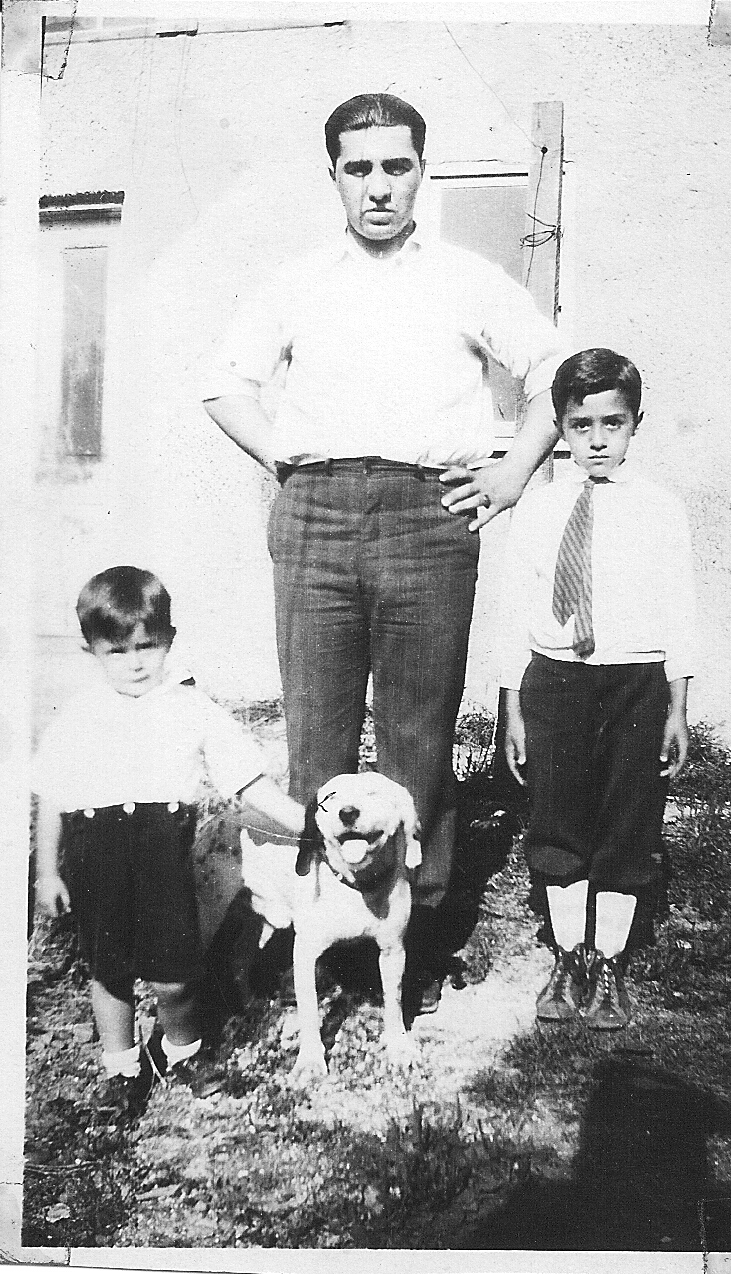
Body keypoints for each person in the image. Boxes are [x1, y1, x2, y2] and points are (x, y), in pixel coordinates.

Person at [200, 92, 566, 1013]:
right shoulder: (296, 279)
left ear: (421, 171)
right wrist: (282, 453)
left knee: (418, 734)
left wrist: (515, 473)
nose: (378, 186)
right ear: (333, 176)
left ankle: (421, 931)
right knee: (316, 736)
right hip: (315, 513)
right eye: (358, 168)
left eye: (395, 166)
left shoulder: (467, 279)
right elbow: (223, 385)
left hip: (427, 515)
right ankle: (306, 928)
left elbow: (558, 375)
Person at [33, 566, 305, 1118]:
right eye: (116, 651)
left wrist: (308, 824)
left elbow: (248, 781)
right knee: (108, 973)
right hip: (96, 858)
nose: (134, 663)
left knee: (174, 975)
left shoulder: (191, 710)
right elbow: (52, 798)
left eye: (147, 647)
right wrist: (47, 872)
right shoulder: (78, 717)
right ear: (91, 652)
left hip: (162, 859)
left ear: (169, 643)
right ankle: (122, 1069)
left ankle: (184, 1054)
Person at [500, 348, 698, 1029]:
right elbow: (513, 615)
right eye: (581, 426)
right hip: (555, 681)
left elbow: (680, 609)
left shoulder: (660, 510)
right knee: (558, 815)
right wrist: (513, 709)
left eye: (612, 424)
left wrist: (677, 704)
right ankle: (569, 953)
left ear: (635, 424)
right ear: (560, 427)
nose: (598, 440)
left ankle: (609, 959)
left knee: (627, 818)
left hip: (635, 683)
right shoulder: (538, 509)